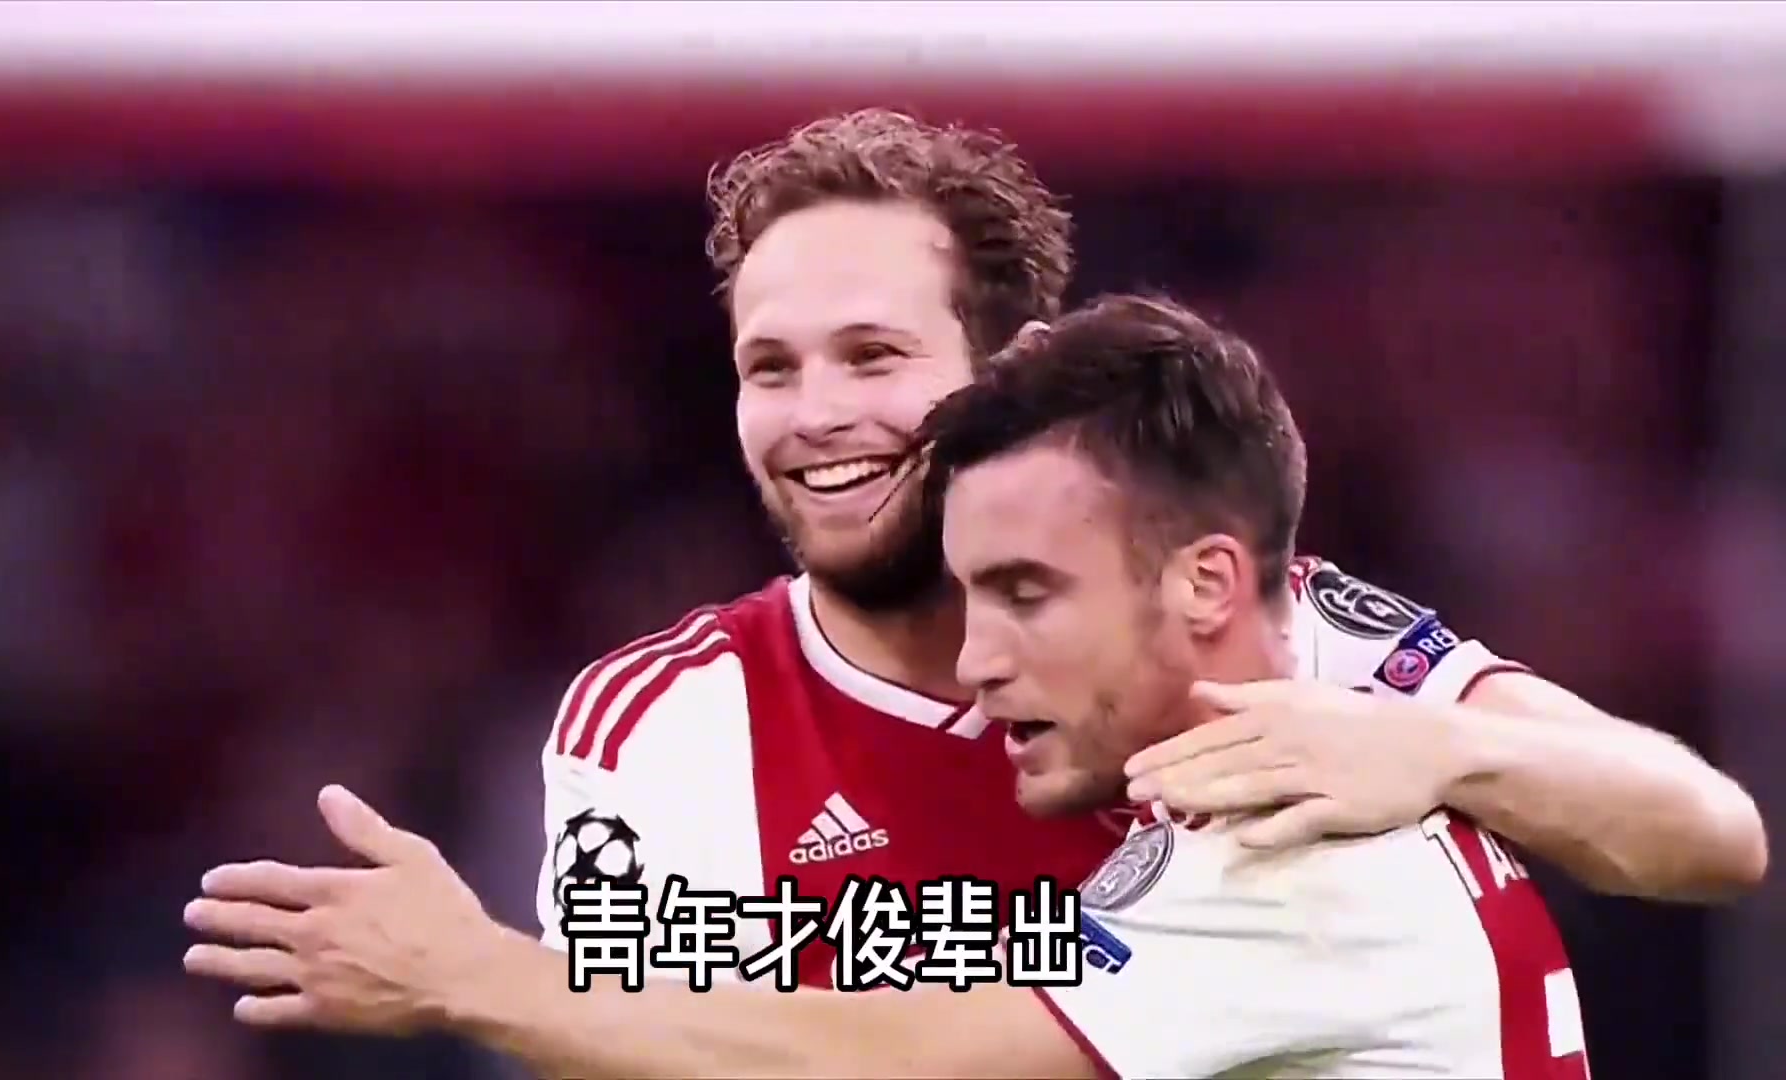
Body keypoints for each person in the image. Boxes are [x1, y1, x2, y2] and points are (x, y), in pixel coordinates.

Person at [180, 110, 1764, 1025]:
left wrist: (1446, 751)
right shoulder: (657, 722)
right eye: (771, 367)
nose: (816, 416)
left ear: (1010, 374)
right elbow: (669, 1050)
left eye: (874, 356)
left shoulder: (1260, 634)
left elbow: (1705, 833)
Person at [187, 295, 1597, 1078]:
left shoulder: (1297, 861)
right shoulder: (1249, 817)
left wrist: (475, 974)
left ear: (1202, 585)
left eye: (1031, 594)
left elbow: (888, 1055)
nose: (980, 660)